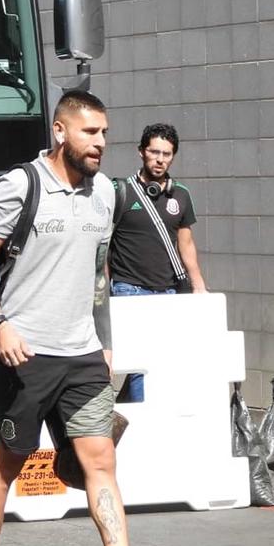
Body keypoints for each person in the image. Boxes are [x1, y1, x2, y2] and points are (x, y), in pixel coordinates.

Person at [0, 90, 185, 546]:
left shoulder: (105, 193)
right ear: (61, 132)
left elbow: (99, 273)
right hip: (25, 355)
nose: (100, 142)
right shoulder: (22, 185)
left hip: (82, 354)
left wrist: (104, 343)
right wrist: (0, 324)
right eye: (90, 132)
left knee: (101, 461)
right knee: (5, 466)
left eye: (104, 133)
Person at [107, 123, 206, 402]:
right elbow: (103, 243)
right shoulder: (120, 191)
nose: (160, 159)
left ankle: (129, 409)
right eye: (154, 152)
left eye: (167, 154)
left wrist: (198, 285)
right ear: (141, 152)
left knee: (163, 363)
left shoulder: (181, 194)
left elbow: (186, 242)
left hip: (168, 290)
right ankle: (145, 420)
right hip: (129, 289)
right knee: (142, 363)